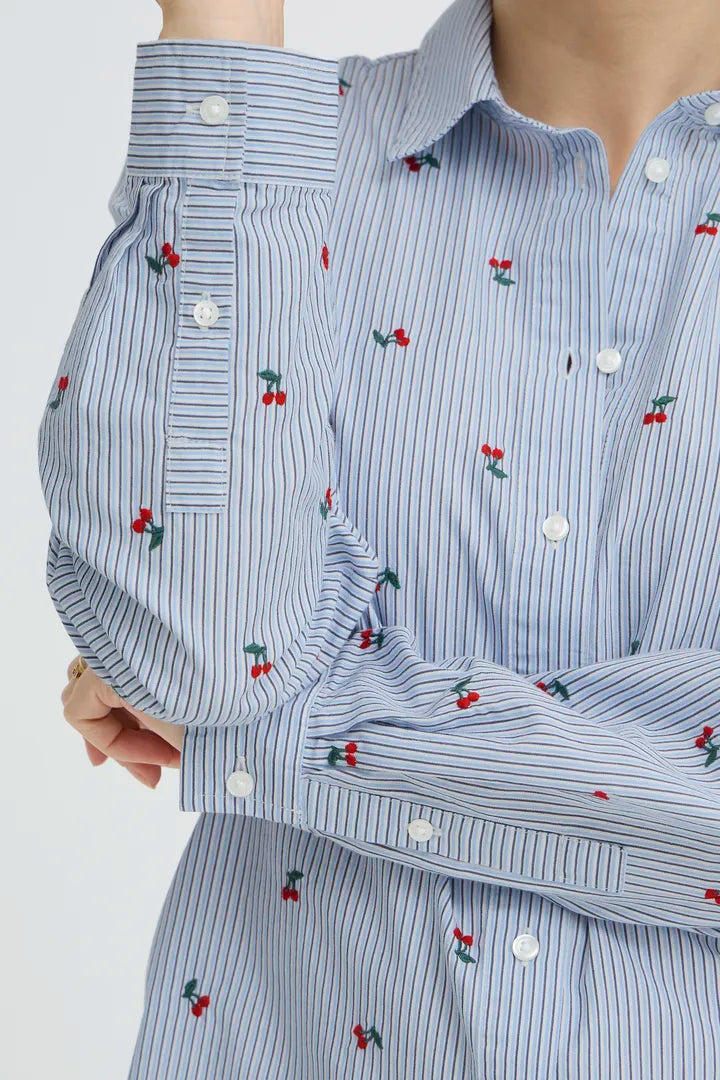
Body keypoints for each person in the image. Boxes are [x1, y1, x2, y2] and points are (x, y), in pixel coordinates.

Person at [37, 0, 720, 1075]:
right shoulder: (268, 151)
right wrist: (221, 26)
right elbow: (196, 650)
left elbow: (209, 701)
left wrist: (269, 735)